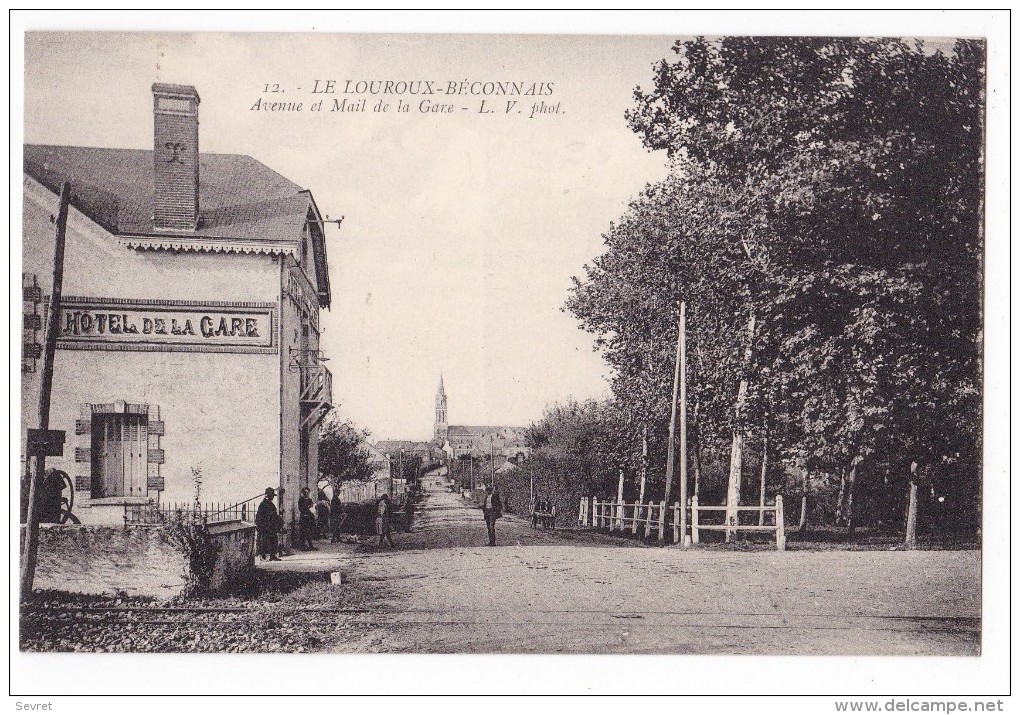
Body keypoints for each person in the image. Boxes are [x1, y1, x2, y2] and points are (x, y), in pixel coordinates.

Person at [255, 488, 282, 561]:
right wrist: (260, 526)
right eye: (272, 495)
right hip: (265, 527)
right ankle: (262, 556)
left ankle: (273, 555)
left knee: (273, 540)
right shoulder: (263, 504)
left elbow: (274, 515)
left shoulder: (270, 504)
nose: (273, 497)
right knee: (264, 542)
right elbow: (259, 517)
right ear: (268, 495)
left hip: (271, 526)